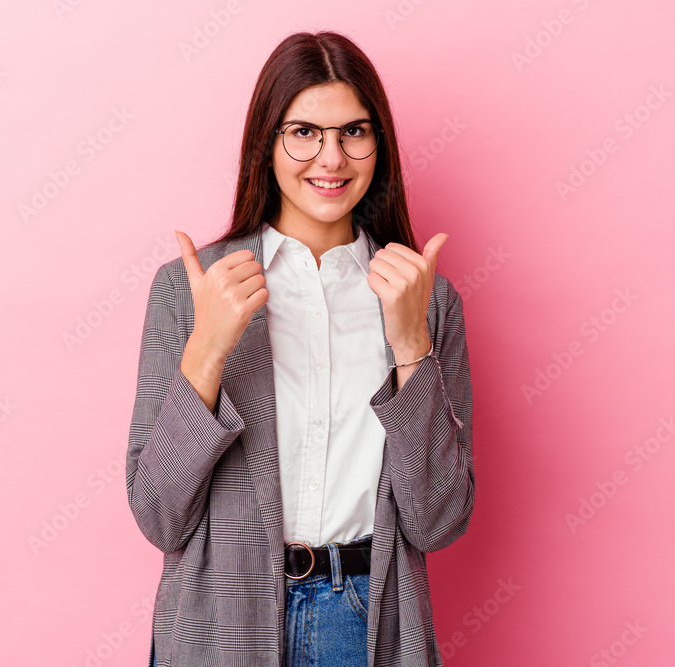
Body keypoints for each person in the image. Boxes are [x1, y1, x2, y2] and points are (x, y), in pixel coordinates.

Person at [126, 30, 475, 667]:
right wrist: (207, 349)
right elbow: (159, 516)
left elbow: (438, 520)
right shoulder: (192, 290)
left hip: (365, 623)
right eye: (305, 132)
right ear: (268, 142)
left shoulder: (424, 299)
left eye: (354, 132)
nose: (331, 158)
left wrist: (410, 346)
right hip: (221, 625)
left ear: (379, 143)